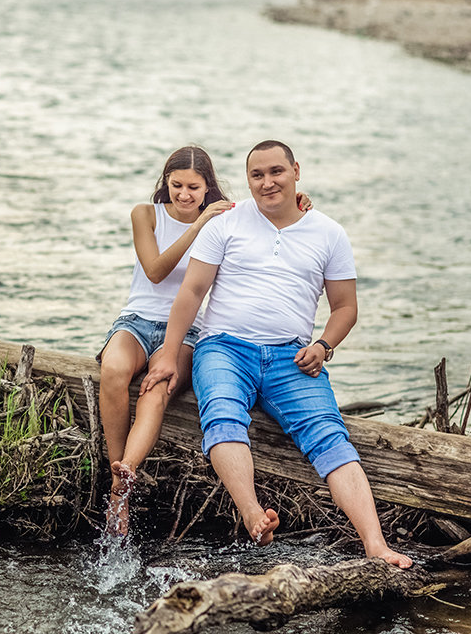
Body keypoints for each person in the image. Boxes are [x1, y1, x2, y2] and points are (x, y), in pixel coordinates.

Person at [141, 140, 412, 568]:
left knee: (330, 437)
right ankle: (253, 514)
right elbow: (192, 292)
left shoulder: (329, 232)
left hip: (292, 357)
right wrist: (169, 354)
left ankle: (376, 546)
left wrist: (323, 346)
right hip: (224, 348)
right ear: (247, 180)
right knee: (222, 413)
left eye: (276, 172)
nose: (267, 183)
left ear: (296, 171)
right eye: (257, 175)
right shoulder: (226, 223)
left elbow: (346, 307)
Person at [98, 145, 309, 537]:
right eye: (176, 185)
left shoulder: (224, 215)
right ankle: (117, 474)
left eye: (194, 187)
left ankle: (122, 493)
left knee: (157, 389)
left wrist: (300, 202)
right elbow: (156, 271)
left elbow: (271, 211)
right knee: (112, 371)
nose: (184, 195)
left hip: (186, 332)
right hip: (137, 321)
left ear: (207, 187)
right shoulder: (146, 214)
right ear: (165, 183)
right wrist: (198, 225)